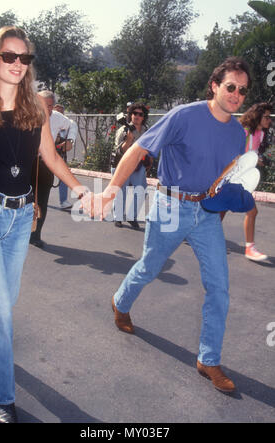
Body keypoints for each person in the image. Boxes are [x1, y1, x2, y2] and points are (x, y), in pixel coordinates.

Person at [86, 57, 252, 394]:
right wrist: (108, 194)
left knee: (219, 287)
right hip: (169, 206)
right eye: (231, 87)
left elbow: (225, 177)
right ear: (215, 86)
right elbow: (135, 151)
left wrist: (225, 202)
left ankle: (209, 359)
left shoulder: (237, 132)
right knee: (149, 267)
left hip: (205, 214)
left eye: (243, 90)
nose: (237, 94)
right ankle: (121, 302)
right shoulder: (184, 116)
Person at [0, 26, 88, 423]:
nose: (19, 64)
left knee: (2, 303)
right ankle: (5, 399)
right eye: (10, 56)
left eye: (25, 58)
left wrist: (78, 189)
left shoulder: (36, 108)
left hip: (22, 217)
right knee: (2, 316)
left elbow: (51, 159)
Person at [30, 91, 77, 248]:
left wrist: (70, 140)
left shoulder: (58, 118)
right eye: (42, 104)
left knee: (42, 200)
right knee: (25, 201)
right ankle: (22, 233)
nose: (45, 108)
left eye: (49, 105)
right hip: (27, 163)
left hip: (46, 163)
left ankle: (36, 235)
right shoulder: (26, 114)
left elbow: (72, 124)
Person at [239, 103, 273, 261]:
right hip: (234, 178)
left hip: (244, 178)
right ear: (257, 116)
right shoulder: (244, 131)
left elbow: (252, 155)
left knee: (220, 212)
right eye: (266, 117)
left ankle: (249, 248)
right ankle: (249, 248)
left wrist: (261, 160)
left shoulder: (260, 134)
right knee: (252, 212)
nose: (269, 120)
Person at [111, 103, 150, 229]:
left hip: (138, 165)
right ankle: (118, 217)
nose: (137, 116)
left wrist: (148, 160)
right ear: (130, 115)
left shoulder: (146, 130)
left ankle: (132, 216)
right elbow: (119, 151)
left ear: (144, 117)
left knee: (142, 189)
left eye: (140, 114)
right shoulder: (123, 130)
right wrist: (128, 140)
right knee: (120, 191)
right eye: (134, 113)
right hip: (122, 163)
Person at [53, 103, 78, 210]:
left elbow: (69, 141)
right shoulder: (49, 122)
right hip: (46, 154)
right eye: (56, 111)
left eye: (61, 111)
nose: (59, 113)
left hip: (59, 155)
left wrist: (67, 143)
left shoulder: (68, 124)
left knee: (64, 176)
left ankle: (63, 201)